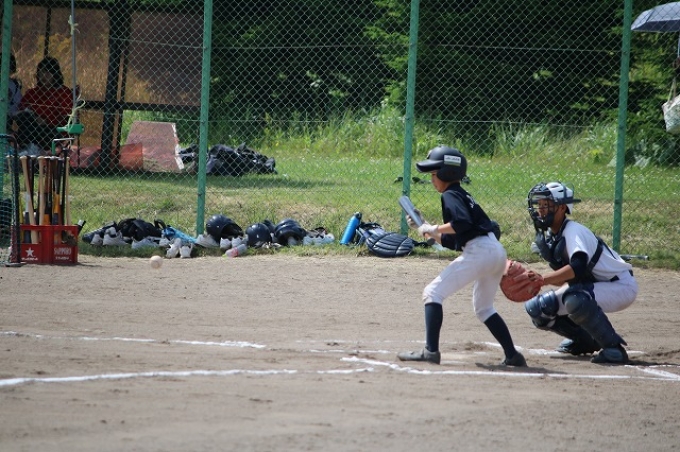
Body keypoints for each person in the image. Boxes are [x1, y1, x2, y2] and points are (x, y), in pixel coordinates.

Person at [397, 146, 527, 367]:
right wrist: (427, 228)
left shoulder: (450, 194)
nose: (432, 180)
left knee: (432, 293)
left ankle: (430, 352)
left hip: (480, 251)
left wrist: (433, 227)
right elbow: (454, 240)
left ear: (447, 172)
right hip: (494, 251)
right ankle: (513, 355)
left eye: (434, 174)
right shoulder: (461, 194)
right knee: (484, 308)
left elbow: (461, 223)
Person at [524, 182, 638, 364]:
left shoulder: (573, 231)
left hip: (620, 285)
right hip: (595, 286)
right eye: (540, 205)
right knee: (539, 309)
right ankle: (585, 341)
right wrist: (535, 279)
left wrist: (543, 279)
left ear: (562, 208)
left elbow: (577, 267)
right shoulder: (553, 237)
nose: (541, 210)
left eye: (547, 205)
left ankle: (614, 349)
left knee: (576, 299)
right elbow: (568, 278)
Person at [16, 56, 73, 151]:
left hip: (52, 130)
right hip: (32, 126)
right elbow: (20, 111)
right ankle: (26, 150)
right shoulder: (32, 93)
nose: (44, 76)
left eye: (48, 73)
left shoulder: (63, 92)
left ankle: (30, 150)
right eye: (41, 72)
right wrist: (34, 117)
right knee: (25, 118)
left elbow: (66, 117)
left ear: (55, 74)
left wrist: (47, 121)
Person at [2, 52, 22, 132]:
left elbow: (17, 103)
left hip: (7, 117)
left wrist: (8, 112)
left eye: (9, 68)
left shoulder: (15, 85)